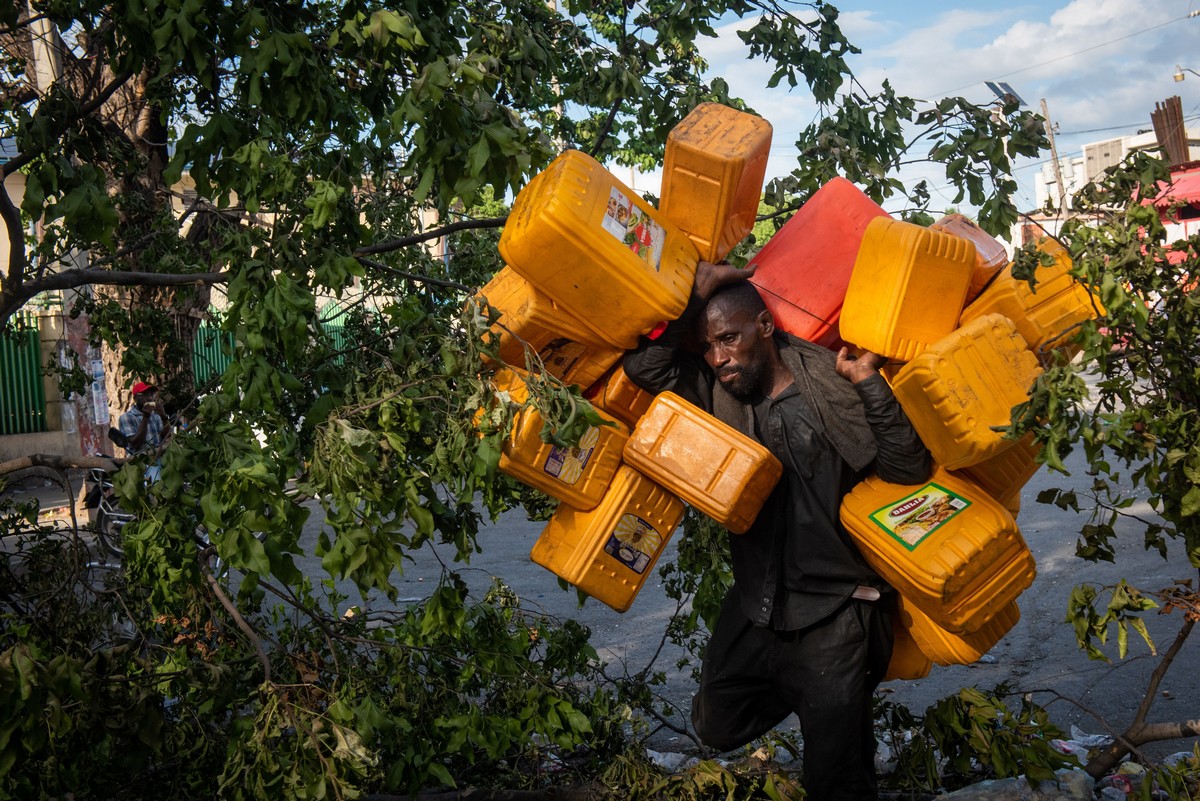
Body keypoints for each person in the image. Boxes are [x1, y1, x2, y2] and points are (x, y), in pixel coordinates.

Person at [623, 261, 931, 801]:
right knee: (717, 722)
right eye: (709, 345)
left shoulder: (828, 386)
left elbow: (908, 469)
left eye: (729, 339)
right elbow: (646, 369)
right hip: (758, 601)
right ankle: (821, 704)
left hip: (838, 611)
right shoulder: (716, 390)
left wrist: (869, 386)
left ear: (764, 327)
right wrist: (694, 297)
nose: (719, 357)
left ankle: (832, 712)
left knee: (834, 782)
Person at [118, 381, 169, 457]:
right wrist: (145, 418)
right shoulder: (127, 417)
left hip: (158, 458)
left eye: (151, 394)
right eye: (145, 394)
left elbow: (167, 437)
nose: (150, 398)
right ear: (135, 398)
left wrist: (164, 417)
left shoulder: (156, 416)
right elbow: (136, 444)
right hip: (140, 462)